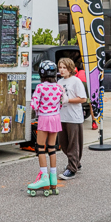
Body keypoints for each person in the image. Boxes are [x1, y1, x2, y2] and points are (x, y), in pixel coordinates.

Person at [28, 60, 66, 195]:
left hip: (44, 118)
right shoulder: (59, 87)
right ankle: (53, 177)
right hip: (56, 118)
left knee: (40, 147)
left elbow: (34, 105)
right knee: (52, 148)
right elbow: (62, 103)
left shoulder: (39, 87)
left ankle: (44, 177)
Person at [57, 58, 87, 180]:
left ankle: (72, 168)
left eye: (64, 67)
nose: (62, 70)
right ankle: (76, 163)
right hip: (62, 116)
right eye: (60, 67)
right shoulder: (59, 82)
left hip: (73, 117)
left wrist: (68, 100)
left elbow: (83, 99)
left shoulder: (76, 81)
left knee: (73, 144)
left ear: (70, 68)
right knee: (64, 143)